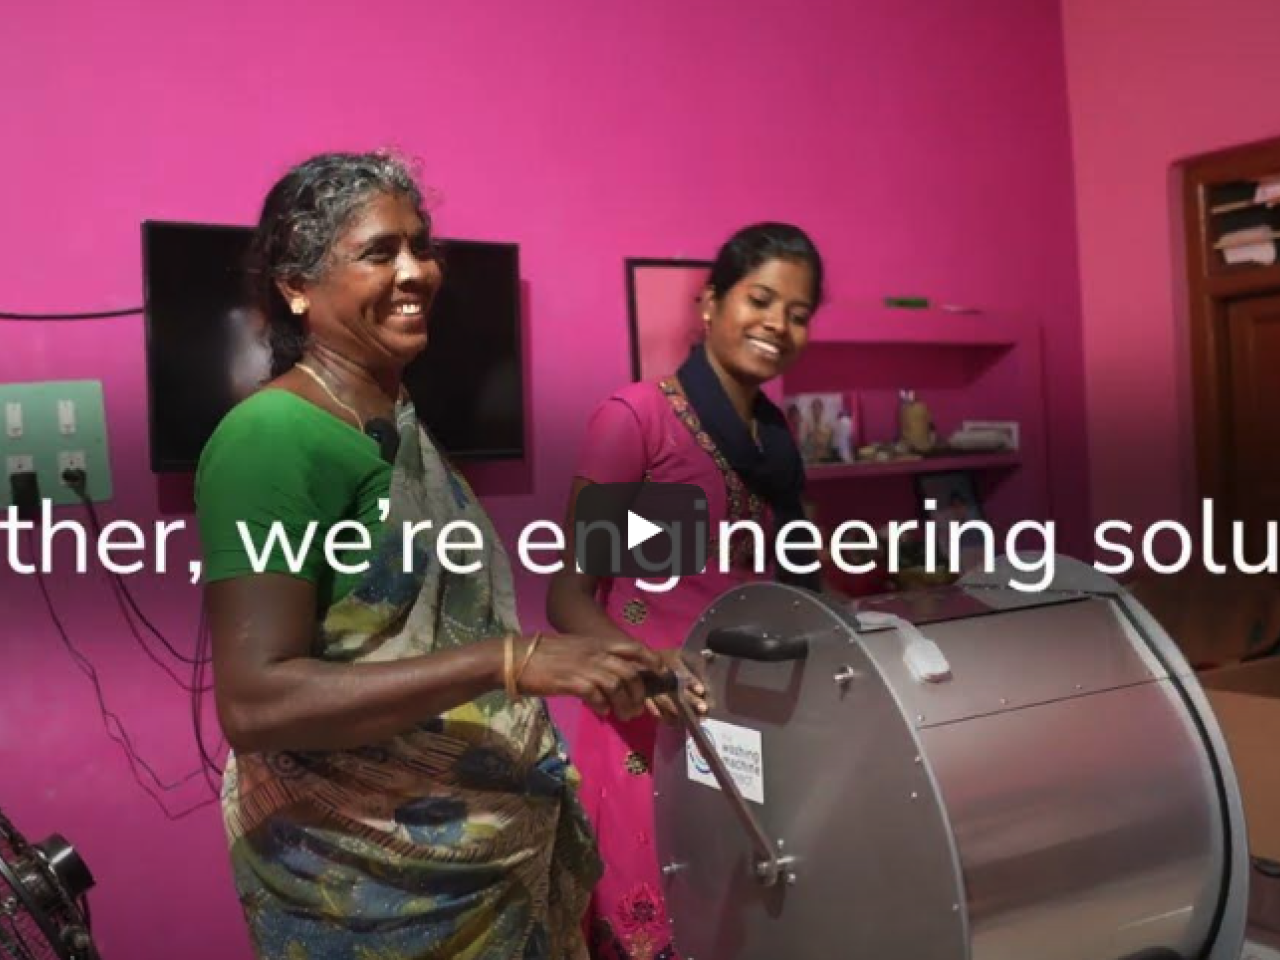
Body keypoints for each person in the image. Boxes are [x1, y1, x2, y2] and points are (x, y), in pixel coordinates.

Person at [194, 151, 667, 960]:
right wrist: (510, 661)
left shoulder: (389, 417)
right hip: (377, 893)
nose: (417, 271)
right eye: (380, 252)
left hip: (491, 866)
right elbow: (255, 703)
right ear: (296, 285)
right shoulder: (271, 439)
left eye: (423, 246)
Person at [546, 222, 824, 959]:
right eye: (760, 299)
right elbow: (569, 597)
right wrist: (650, 664)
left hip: (739, 728)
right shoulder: (635, 420)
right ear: (710, 303)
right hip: (644, 730)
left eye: (798, 312)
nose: (778, 323)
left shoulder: (776, 443)